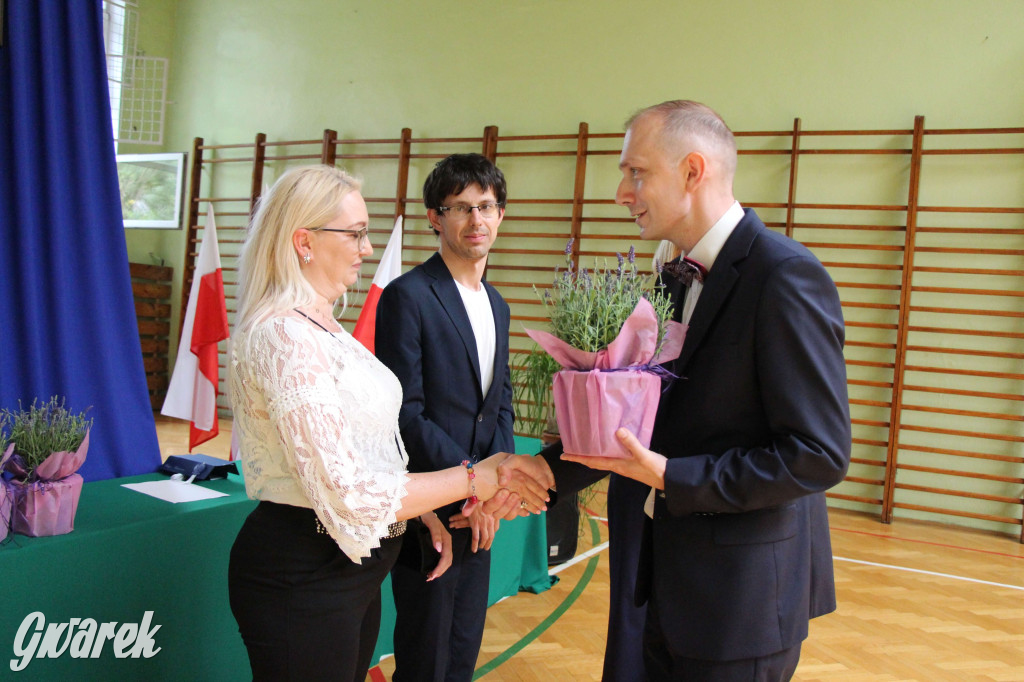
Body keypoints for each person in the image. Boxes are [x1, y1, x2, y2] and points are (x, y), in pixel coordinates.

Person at [492, 100, 852, 681]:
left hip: (740, 599)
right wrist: (548, 471)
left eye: (636, 173)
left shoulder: (785, 276)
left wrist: (673, 477)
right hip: (657, 581)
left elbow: (818, 455)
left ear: (692, 171)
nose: (620, 191)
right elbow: (649, 417)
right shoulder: (671, 275)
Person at [226, 164, 554, 682]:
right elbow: (348, 490)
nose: (367, 246)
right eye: (355, 233)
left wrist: (419, 514)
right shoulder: (283, 335)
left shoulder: (322, 325)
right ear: (304, 240)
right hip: (304, 572)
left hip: (350, 570)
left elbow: (363, 449)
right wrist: (477, 477)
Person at [374, 153, 515, 682]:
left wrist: (497, 489)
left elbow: (500, 403)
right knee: (425, 657)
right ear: (435, 217)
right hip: (431, 505)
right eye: (461, 208)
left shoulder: (497, 304)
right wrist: (473, 485)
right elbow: (404, 417)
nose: (476, 220)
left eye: (486, 206)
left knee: (462, 654)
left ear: (500, 214)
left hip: (481, 511)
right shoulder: (407, 297)